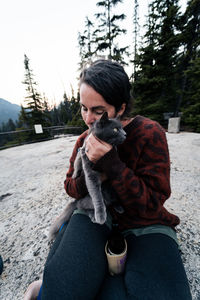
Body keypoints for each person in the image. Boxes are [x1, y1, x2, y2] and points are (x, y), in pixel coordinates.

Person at [24, 59, 192, 300]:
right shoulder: (84, 140)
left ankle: (89, 277)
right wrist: (89, 173)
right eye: (84, 108)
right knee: (63, 292)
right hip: (95, 217)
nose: (89, 119)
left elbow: (153, 201)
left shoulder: (149, 133)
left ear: (120, 108)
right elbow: (70, 188)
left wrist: (113, 166)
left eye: (98, 111)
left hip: (144, 224)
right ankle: (55, 283)